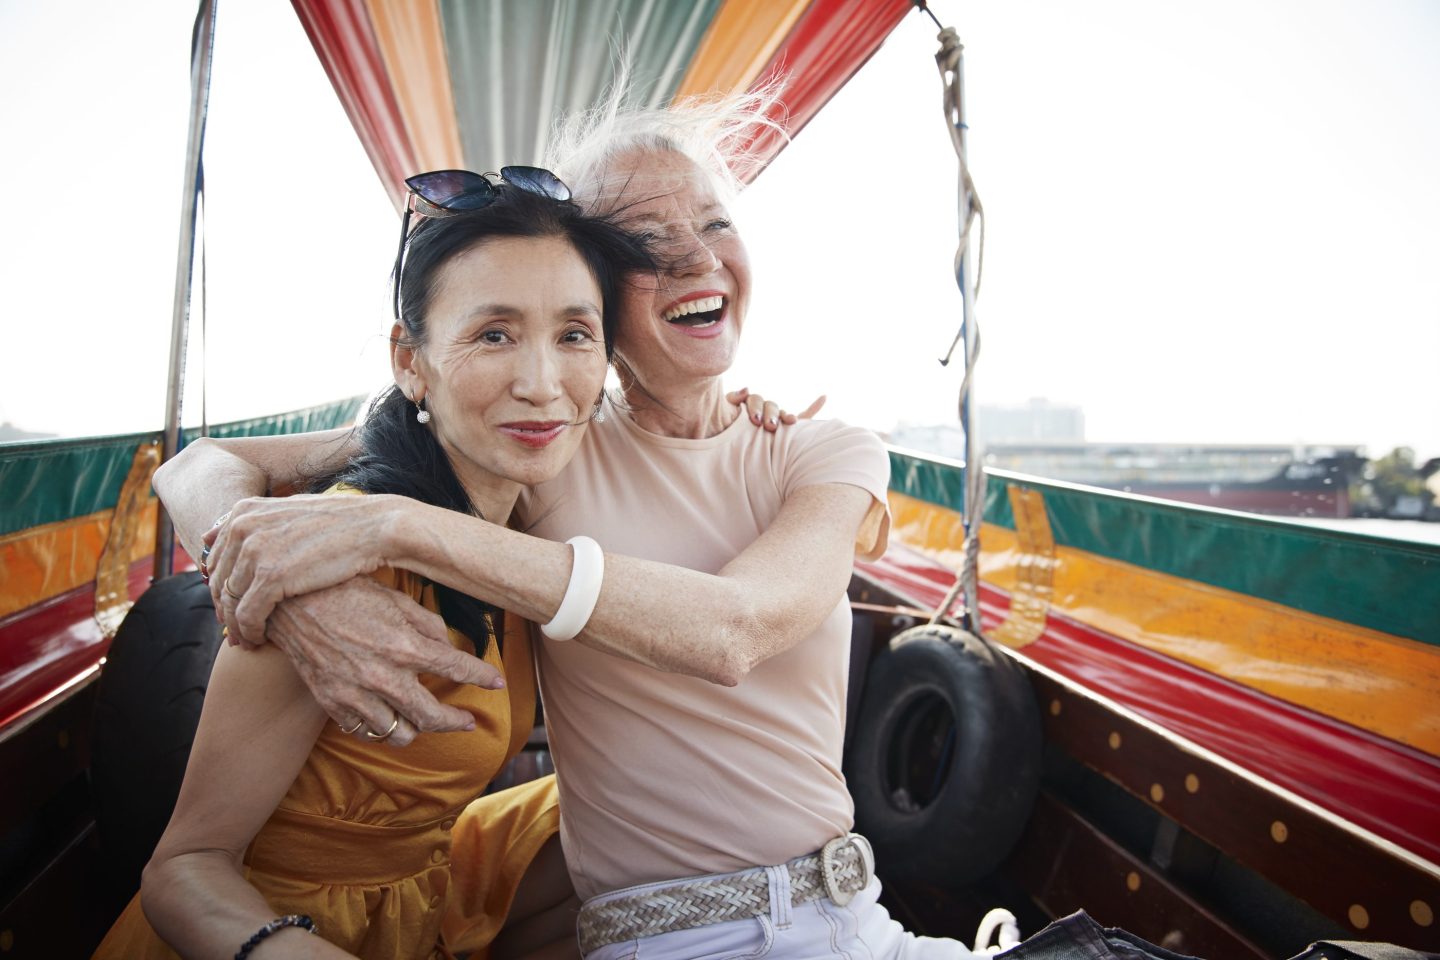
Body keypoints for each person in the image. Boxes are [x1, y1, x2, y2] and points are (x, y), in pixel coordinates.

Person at [160, 94, 986, 959]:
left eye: (714, 223)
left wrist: (397, 531)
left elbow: (735, 629)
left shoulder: (816, 451)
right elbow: (198, 466)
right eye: (648, 247)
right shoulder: (534, 448)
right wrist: (282, 591)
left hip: (861, 918)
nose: (697, 258)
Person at [94, 173, 657, 959]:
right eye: (493, 334)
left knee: (657, 807)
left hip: (422, 891)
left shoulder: (534, 501)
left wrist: (759, 424)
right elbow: (186, 867)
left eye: (573, 334)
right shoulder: (333, 561)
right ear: (410, 360)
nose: (541, 384)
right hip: (272, 927)